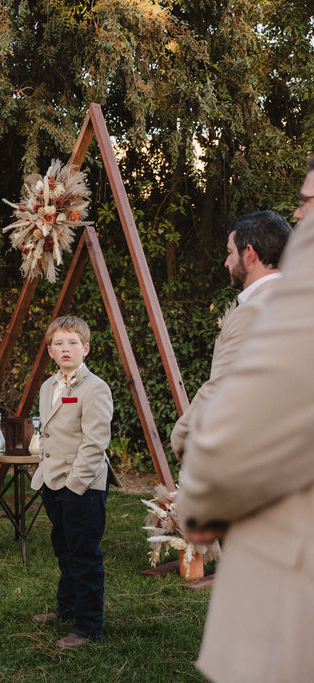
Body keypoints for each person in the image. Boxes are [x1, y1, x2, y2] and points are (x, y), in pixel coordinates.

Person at [177, 160, 314, 683]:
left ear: (248, 254)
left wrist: (195, 487)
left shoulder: (276, 306)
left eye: (305, 202)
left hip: (283, 552)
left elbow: (233, 407)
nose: (299, 216)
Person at [170, 210, 291, 457]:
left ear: (249, 254)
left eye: (229, 253)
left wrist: (181, 437)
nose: (226, 263)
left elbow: (223, 389)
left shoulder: (255, 311)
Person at [29, 315, 113, 649]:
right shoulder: (48, 386)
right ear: (49, 351)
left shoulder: (96, 389)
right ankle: (67, 607)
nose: (66, 349)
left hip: (82, 487)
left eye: (73, 343)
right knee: (64, 548)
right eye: (59, 343)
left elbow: (95, 443)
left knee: (84, 555)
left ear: (86, 348)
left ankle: (88, 625)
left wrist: (74, 485)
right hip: (52, 483)